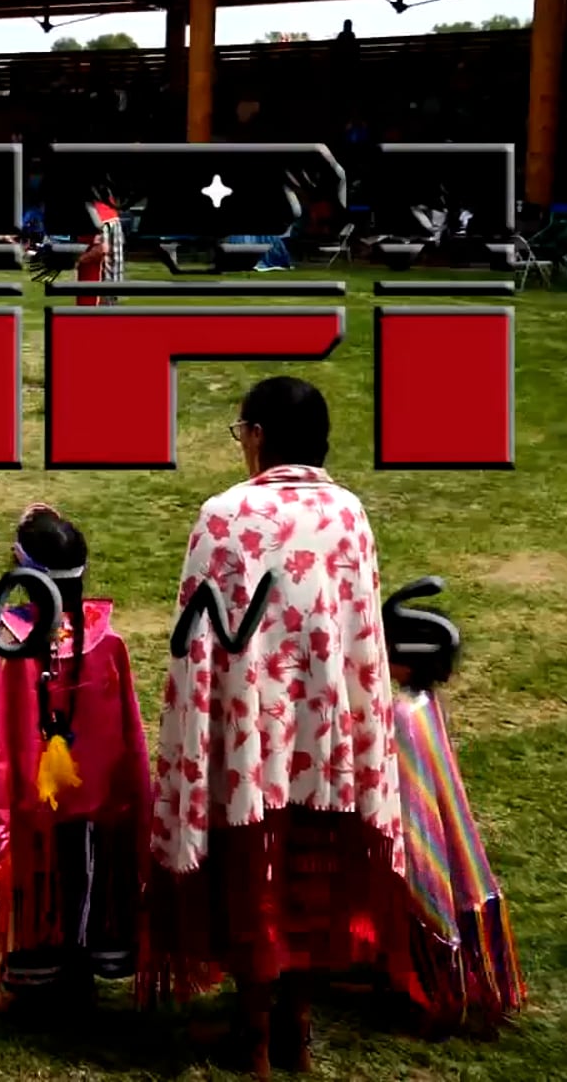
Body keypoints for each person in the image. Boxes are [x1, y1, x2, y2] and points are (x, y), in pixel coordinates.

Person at [145, 377, 401, 1078]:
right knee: (312, 875)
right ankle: (298, 1027)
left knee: (253, 871)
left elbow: (197, 640)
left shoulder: (226, 515)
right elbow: (360, 635)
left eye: (242, 433)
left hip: (249, 734)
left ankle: (254, 1034)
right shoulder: (349, 514)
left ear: (257, 435)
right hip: (325, 733)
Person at [0, 504, 151, 1011]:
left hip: (32, 807)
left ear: (21, 570)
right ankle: (79, 970)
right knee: (82, 870)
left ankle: (34, 983)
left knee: (40, 880)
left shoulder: (11, 645)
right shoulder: (107, 640)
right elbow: (127, 731)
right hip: (93, 803)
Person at [383, 589, 524, 1038]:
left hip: (416, 835)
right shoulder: (425, 704)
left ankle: (436, 984)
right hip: (439, 829)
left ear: (406, 660)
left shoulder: (402, 715)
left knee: (421, 887)